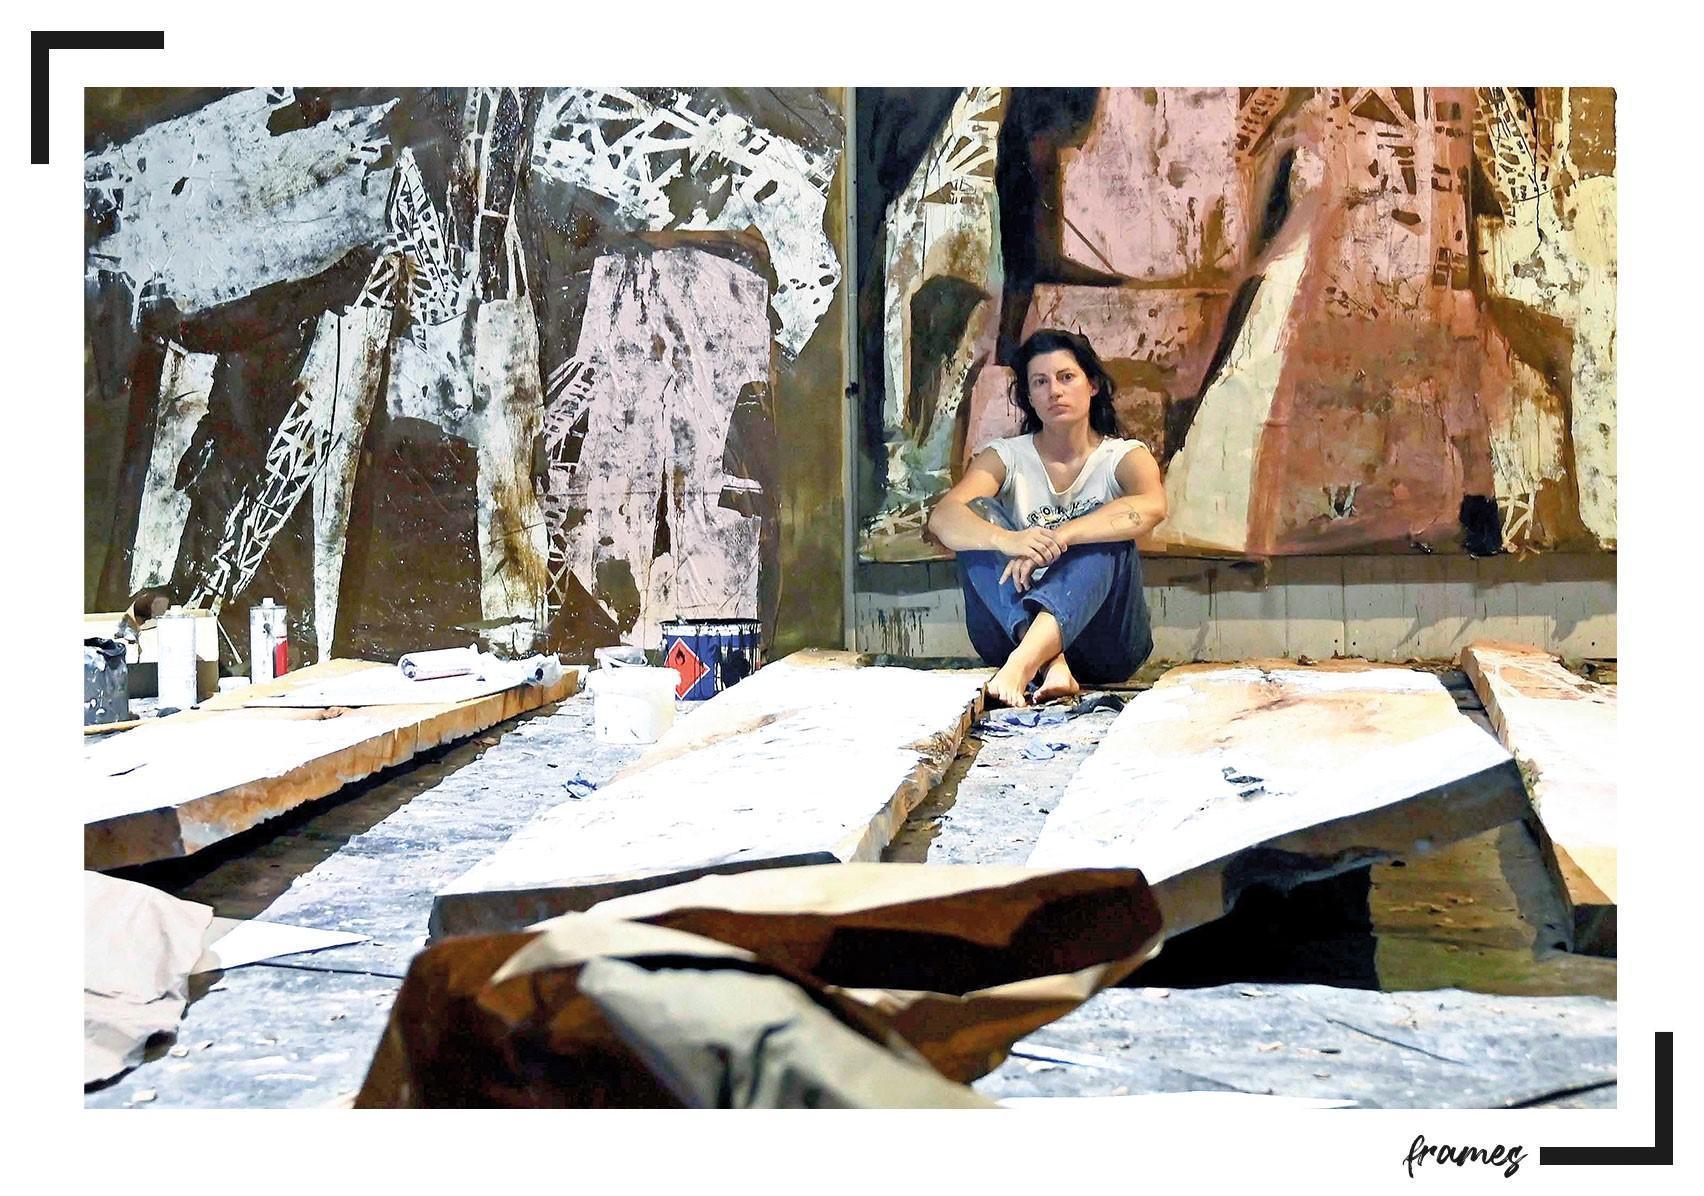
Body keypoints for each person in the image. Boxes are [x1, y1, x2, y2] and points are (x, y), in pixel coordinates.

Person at [926, 328, 1165, 707]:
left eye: (1066, 377)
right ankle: (1049, 663)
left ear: (1093, 385)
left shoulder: (1122, 456)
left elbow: (1152, 506)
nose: (1054, 391)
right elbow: (943, 517)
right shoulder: (1006, 456)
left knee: (1107, 529)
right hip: (1009, 631)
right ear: (1029, 397)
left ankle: (1025, 665)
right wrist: (1008, 540)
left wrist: (1064, 535)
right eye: (1040, 382)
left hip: (1105, 645)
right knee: (973, 517)